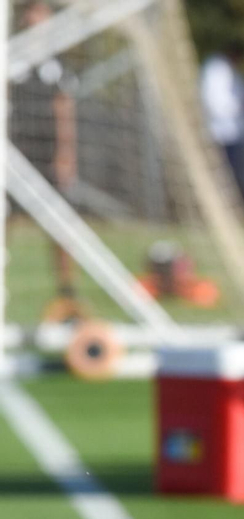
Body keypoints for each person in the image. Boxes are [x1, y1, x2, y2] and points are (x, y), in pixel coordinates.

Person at [11, 0, 79, 312]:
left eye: (40, 11)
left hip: (46, 155)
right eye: (29, 11)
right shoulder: (12, 58)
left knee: (59, 224)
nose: (33, 18)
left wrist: (65, 154)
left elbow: (64, 109)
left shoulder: (56, 65)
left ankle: (67, 290)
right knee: (6, 217)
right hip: (14, 154)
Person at [200, 40, 244, 191]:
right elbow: (212, 103)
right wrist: (239, 107)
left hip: (233, 134)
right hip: (220, 134)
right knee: (220, 178)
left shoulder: (229, 69)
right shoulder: (215, 68)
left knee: (232, 178)